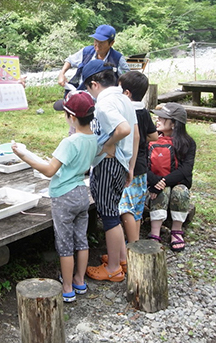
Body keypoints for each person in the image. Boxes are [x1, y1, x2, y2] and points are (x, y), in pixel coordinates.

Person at [13, 91, 98, 302]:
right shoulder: (94, 138)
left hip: (64, 196)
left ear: (72, 117)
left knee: (65, 243)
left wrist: (24, 155)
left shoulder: (69, 142)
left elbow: (50, 170)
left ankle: (67, 287)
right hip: (81, 193)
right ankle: (80, 280)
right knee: (81, 239)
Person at [82, 60, 139, 282]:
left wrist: (108, 144)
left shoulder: (104, 104)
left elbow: (123, 130)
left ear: (94, 84)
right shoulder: (124, 98)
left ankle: (113, 268)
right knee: (112, 210)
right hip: (123, 163)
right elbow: (135, 134)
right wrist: (131, 167)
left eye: (87, 88)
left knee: (108, 215)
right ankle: (121, 257)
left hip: (108, 163)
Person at [146, 103, 196, 252]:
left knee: (181, 191)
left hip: (175, 183)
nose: (158, 119)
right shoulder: (150, 139)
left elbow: (185, 170)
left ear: (174, 124)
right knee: (164, 190)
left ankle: (176, 230)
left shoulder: (188, 143)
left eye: (163, 118)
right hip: (155, 184)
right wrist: (155, 182)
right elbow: (142, 164)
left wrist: (162, 182)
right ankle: (155, 231)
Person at [116, 71, 158, 246]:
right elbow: (154, 136)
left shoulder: (125, 111)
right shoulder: (144, 111)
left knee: (126, 208)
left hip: (129, 166)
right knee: (137, 208)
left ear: (127, 93)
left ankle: (134, 248)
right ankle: (134, 242)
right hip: (142, 165)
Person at [57, 24, 130, 92]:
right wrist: (62, 74)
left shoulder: (117, 59)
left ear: (111, 43)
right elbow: (70, 60)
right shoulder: (86, 52)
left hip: (106, 98)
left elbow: (127, 79)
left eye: (101, 42)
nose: (97, 45)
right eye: (95, 41)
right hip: (82, 93)